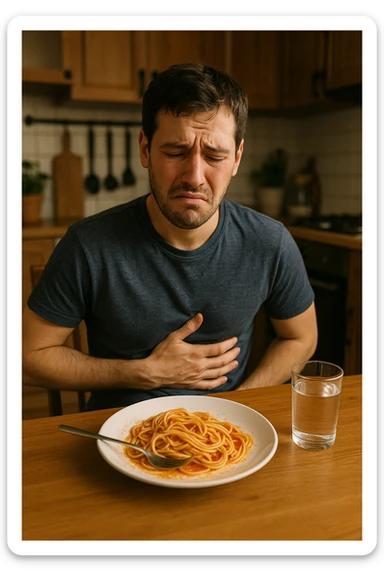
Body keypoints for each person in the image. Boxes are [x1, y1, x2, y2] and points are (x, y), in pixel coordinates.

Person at [22, 62, 318, 410]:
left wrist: (242, 401)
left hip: (225, 436)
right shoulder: (88, 245)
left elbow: (301, 336)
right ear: (145, 149)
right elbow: (28, 357)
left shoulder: (270, 242)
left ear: (237, 158)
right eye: (175, 152)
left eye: (214, 155)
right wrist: (144, 373)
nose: (194, 176)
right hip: (115, 437)